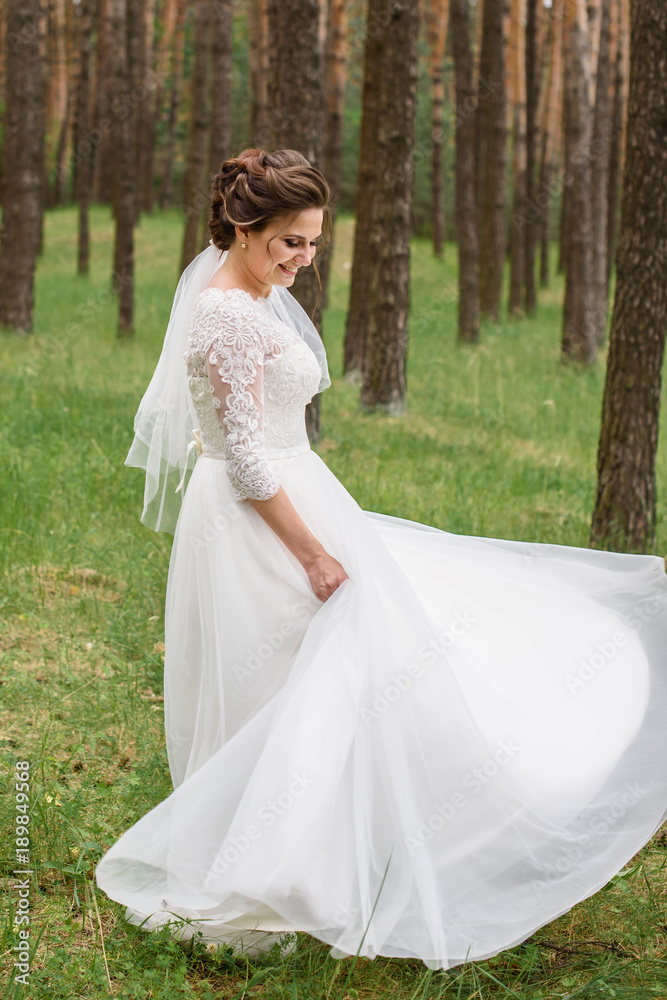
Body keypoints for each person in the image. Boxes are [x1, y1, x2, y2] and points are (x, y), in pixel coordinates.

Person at [95, 147, 667, 971]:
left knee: (344, 677)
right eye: (289, 241)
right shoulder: (224, 312)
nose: (302, 259)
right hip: (258, 523)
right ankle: (275, 868)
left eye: (314, 243)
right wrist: (316, 557)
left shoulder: (257, 296)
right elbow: (248, 460)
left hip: (295, 494)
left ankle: (350, 851)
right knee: (288, 684)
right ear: (244, 228)